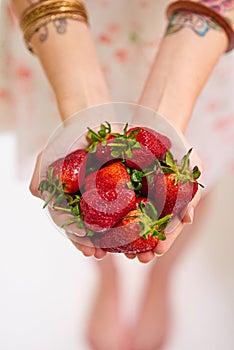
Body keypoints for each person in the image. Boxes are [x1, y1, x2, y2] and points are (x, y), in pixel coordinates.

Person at [2, 0, 234, 349]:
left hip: (195, 44)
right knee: (69, 166)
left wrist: (165, 122)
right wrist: (82, 110)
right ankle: (106, 276)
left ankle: (161, 277)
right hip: (68, 38)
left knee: (193, 173)